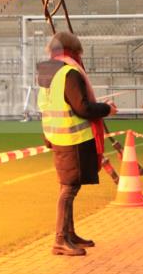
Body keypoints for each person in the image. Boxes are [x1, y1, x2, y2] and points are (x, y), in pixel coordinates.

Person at [37, 31, 117, 256]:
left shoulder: (47, 71)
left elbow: (45, 106)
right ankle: (61, 239)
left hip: (57, 137)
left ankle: (69, 234)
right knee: (69, 188)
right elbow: (82, 108)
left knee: (68, 186)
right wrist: (106, 109)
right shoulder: (69, 72)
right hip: (74, 140)